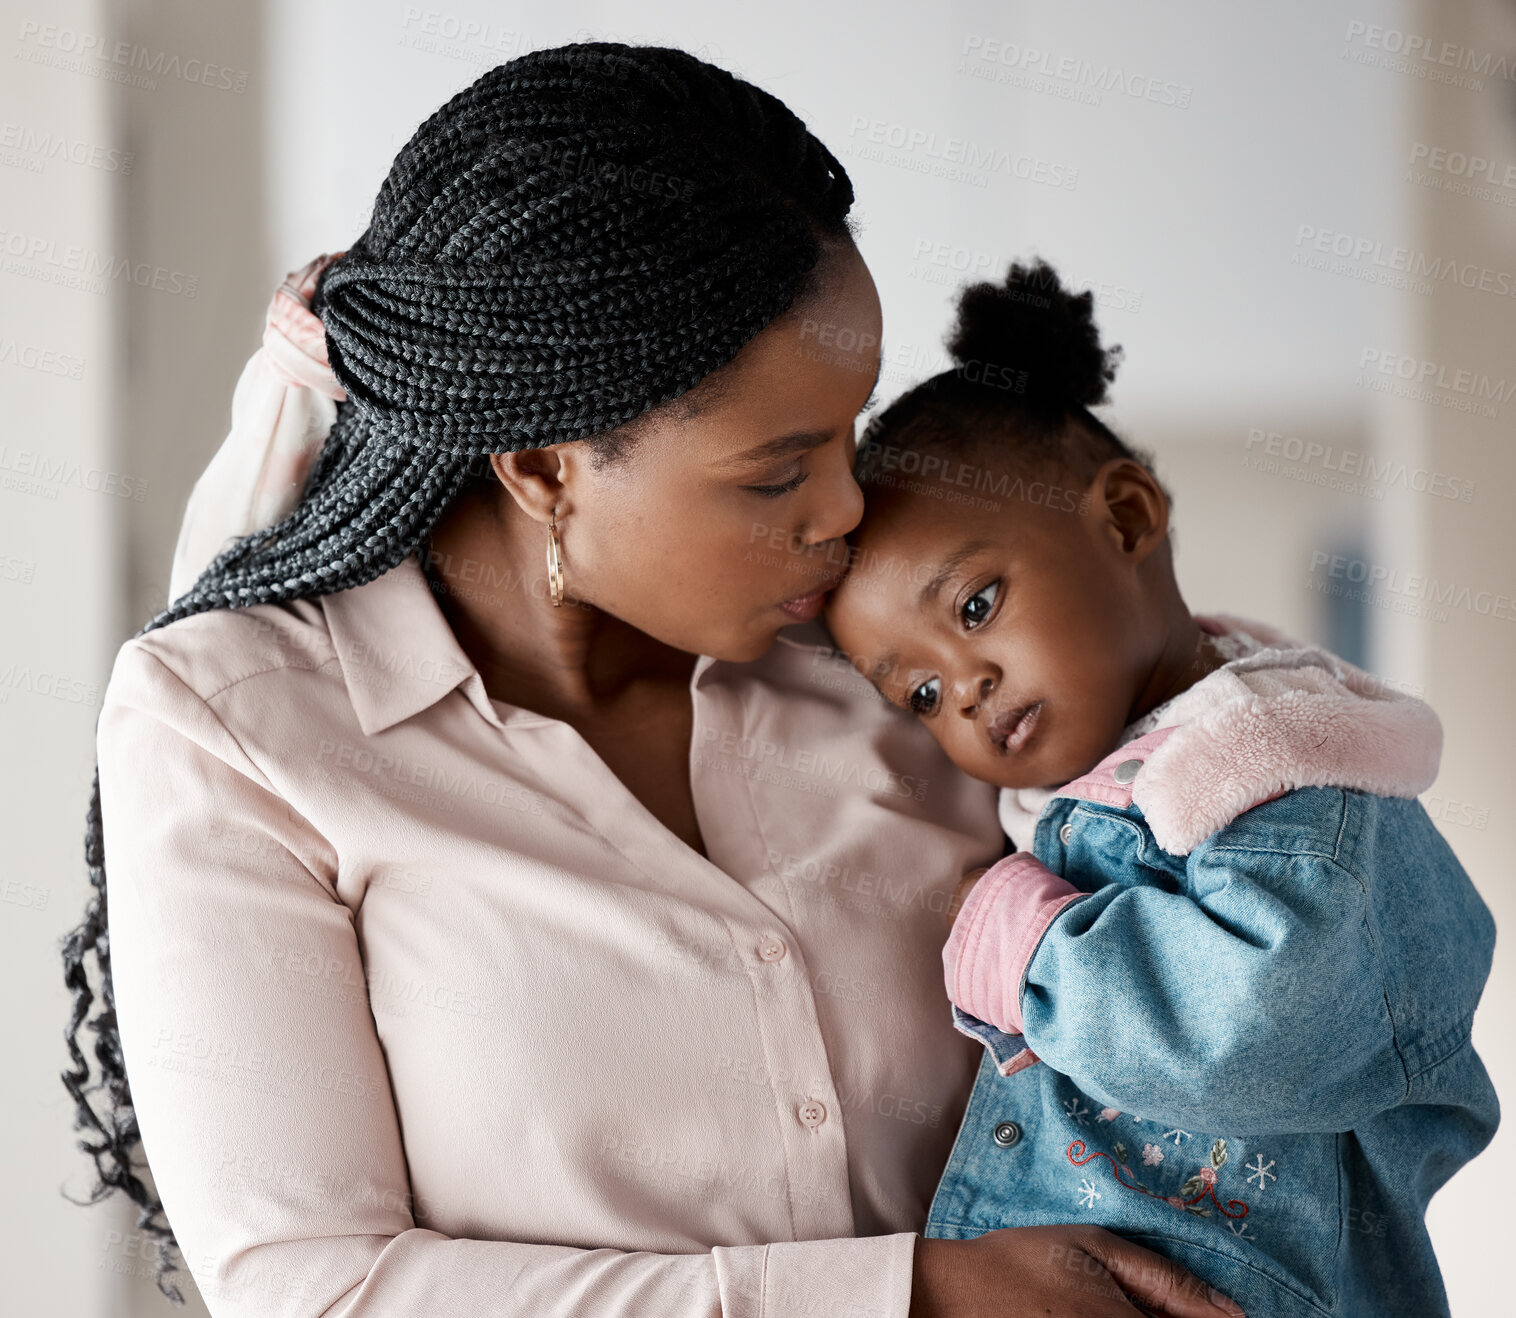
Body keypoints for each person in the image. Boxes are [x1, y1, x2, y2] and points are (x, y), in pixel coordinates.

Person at [60, 46, 1242, 1318]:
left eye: (850, 431)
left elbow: (1243, 821)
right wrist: (909, 1297)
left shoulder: (899, 672)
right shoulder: (240, 728)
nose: (848, 510)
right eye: (777, 472)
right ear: (545, 468)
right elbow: (313, 1288)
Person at [822, 260, 1500, 1317]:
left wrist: (1031, 948)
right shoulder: (1126, 778)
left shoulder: (1281, 780)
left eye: (974, 605)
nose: (965, 686)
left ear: (1127, 517)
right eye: (915, 690)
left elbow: (1254, 1032)